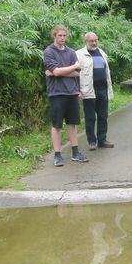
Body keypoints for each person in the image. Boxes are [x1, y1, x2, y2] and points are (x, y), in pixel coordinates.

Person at [44, 25, 88, 166]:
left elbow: (76, 73)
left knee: (72, 123)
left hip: (72, 92)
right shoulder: (49, 52)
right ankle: (57, 155)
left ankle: (75, 152)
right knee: (57, 125)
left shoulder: (71, 52)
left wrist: (60, 71)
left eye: (64, 35)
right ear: (54, 36)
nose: (62, 38)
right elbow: (56, 72)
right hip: (56, 93)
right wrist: (69, 68)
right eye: (59, 35)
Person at [76, 32, 115, 150]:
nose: (94, 43)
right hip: (88, 90)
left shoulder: (102, 53)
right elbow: (75, 74)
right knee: (90, 117)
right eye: (91, 41)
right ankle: (91, 141)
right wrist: (77, 90)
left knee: (103, 116)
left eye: (95, 40)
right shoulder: (79, 54)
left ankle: (102, 140)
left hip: (102, 89)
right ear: (85, 41)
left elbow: (106, 71)